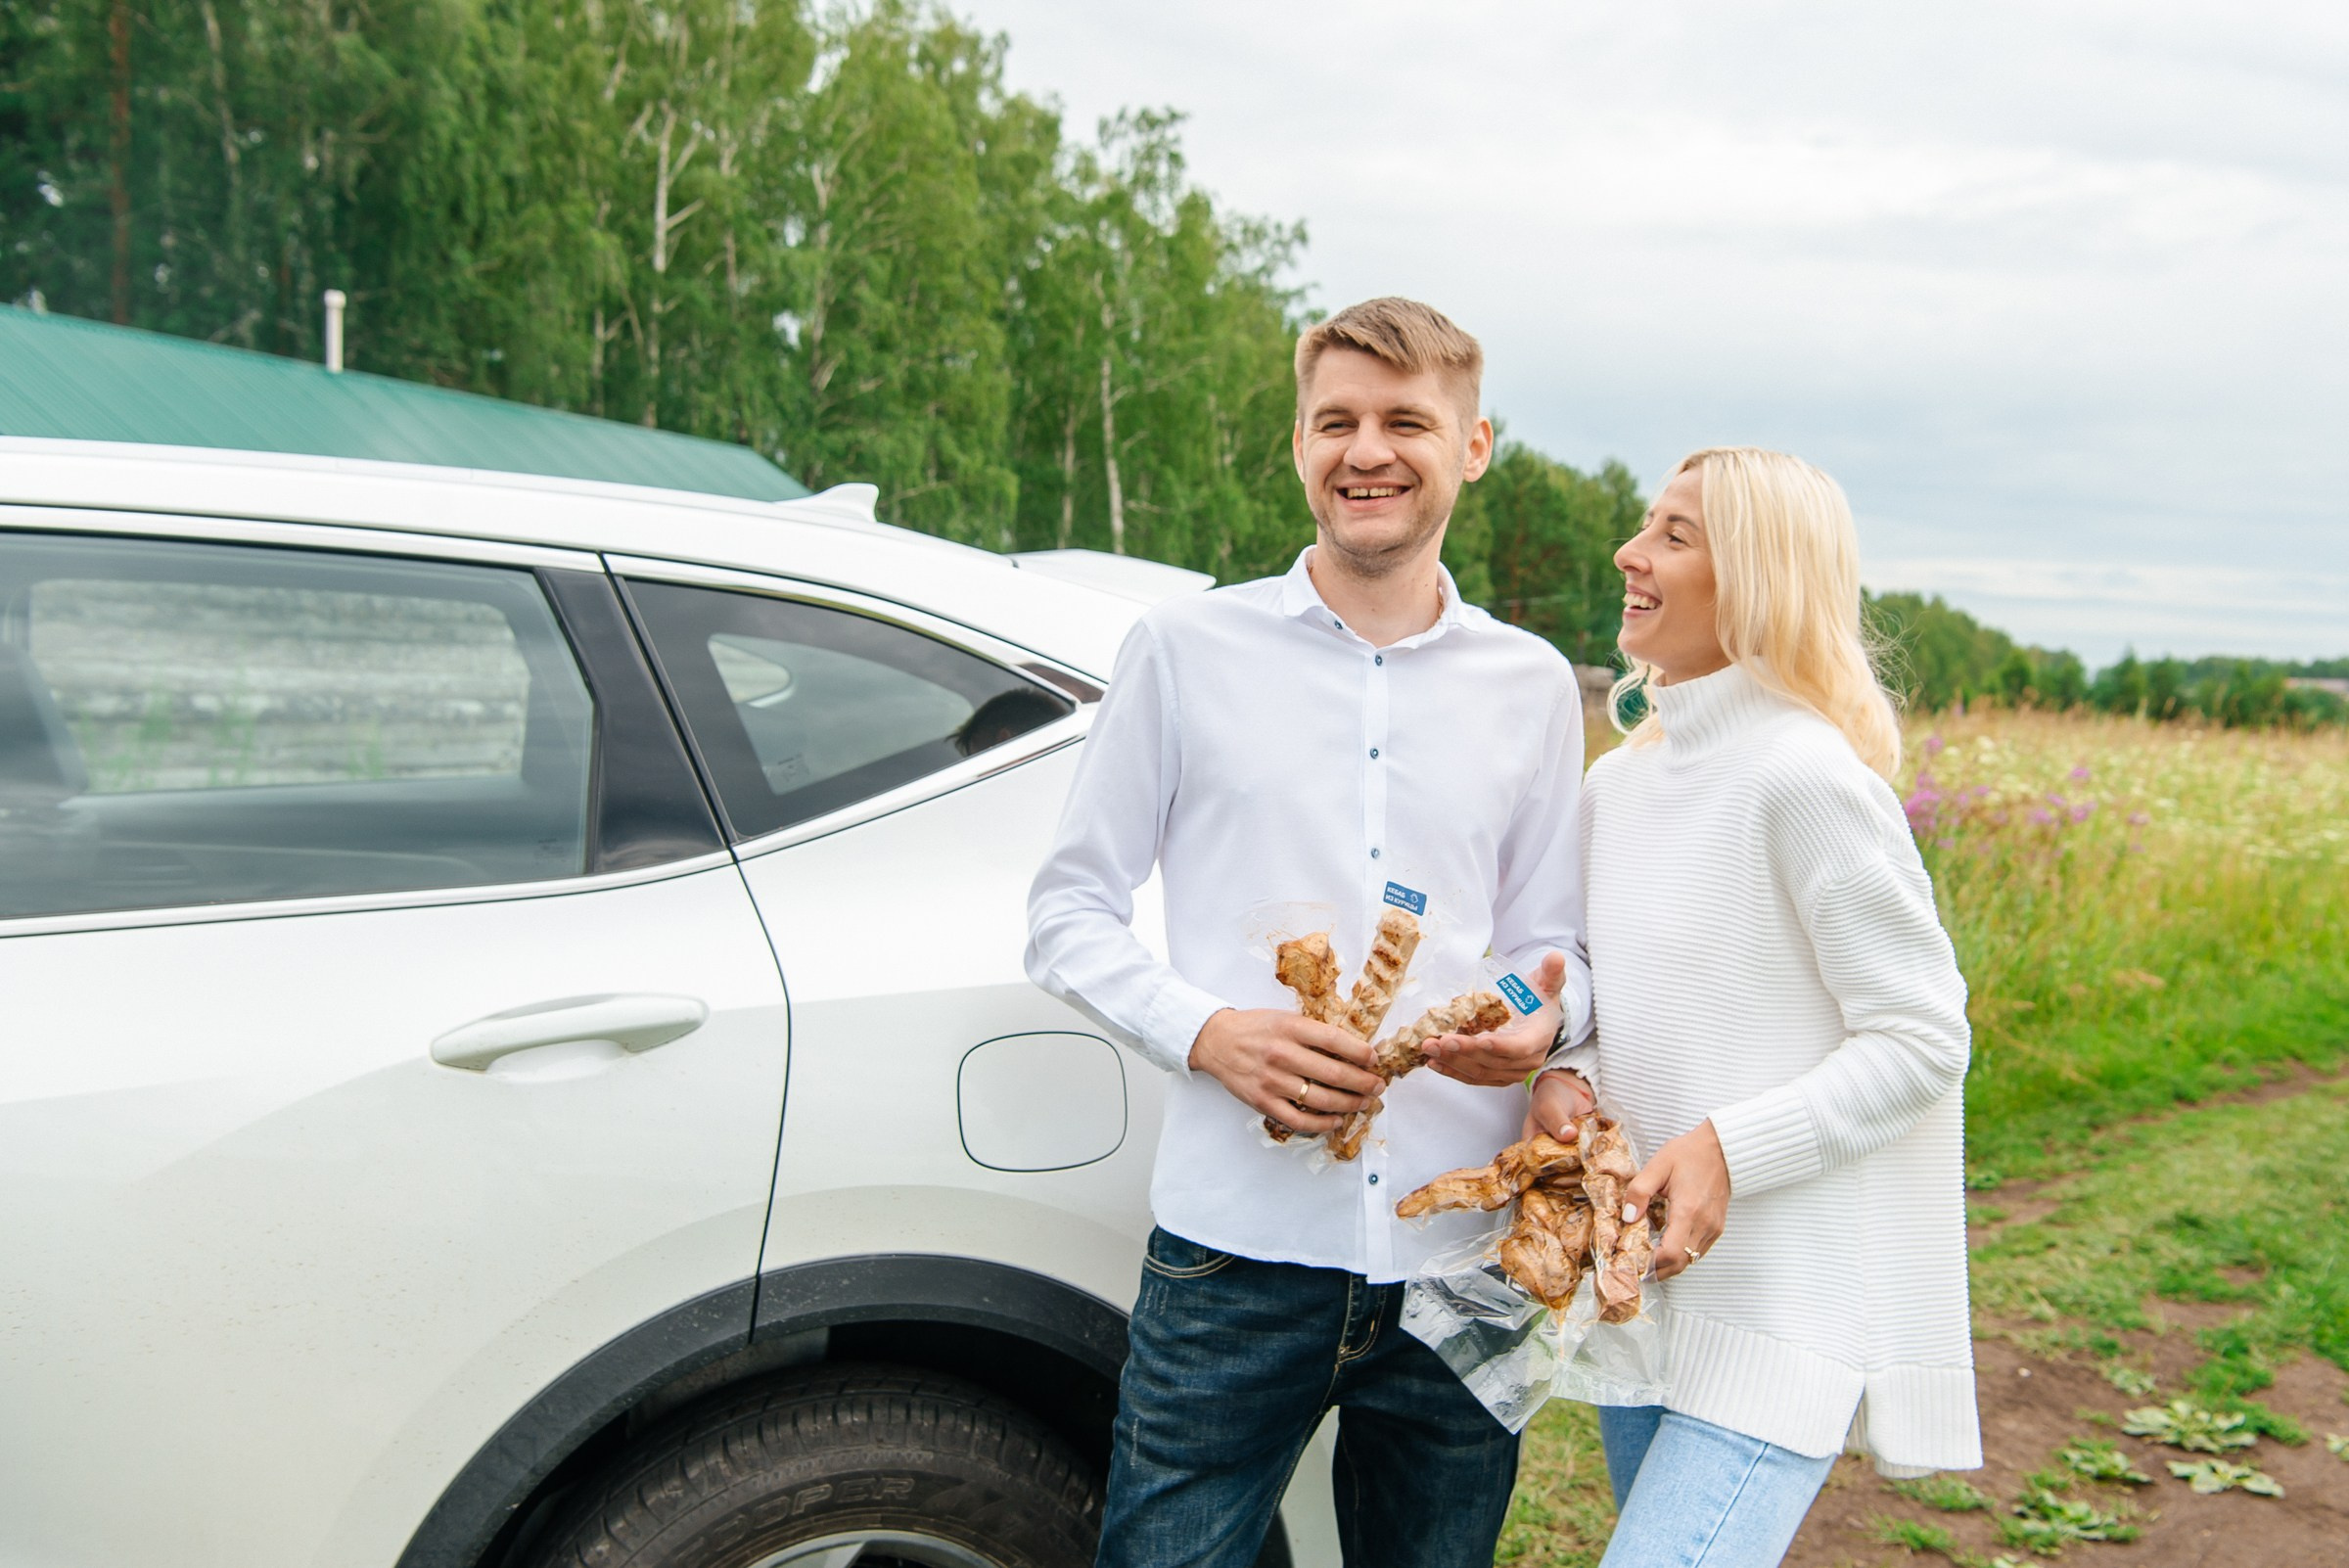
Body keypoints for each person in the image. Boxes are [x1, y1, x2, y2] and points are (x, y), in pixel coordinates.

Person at [1024, 297, 1592, 1568]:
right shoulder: (1183, 648)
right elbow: (1065, 913)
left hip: (1463, 1259)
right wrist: (1211, 1031)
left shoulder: (1534, 684)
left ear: (1475, 445)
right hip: (1236, 1249)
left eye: (1406, 420)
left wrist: (1538, 1019)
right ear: (1297, 444)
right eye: (1336, 420)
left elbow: (1551, 941)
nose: (1367, 450)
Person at [1438, 446, 1982, 1566]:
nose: (1630, 554)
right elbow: (1617, 991)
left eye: (1675, 535)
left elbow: (1924, 1036)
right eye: (1646, 526)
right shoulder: (1620, 784)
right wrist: (1565, 1068)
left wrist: (1729, 1149)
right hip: (1644, 1302)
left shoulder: (1809, 780)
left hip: (1785, 1315)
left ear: (1762, 576)